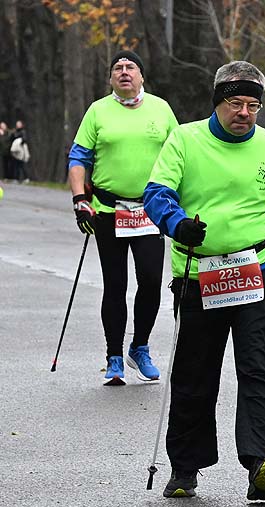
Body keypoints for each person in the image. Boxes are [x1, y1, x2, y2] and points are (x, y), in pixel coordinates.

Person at [143, 60, 265, 501]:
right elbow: (157, 195)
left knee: (259, 368)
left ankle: (263, 463)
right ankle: (186, 466)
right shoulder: (185, 140)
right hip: (200, 271)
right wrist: (177, 224)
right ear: (218, 102)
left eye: (252, 106)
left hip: (256, 270)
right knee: (195, 372)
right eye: (236, 103)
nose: (244, 113)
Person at [68, 50, 178, 386]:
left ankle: (139, 347)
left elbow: (181, 156)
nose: (124, 71)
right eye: (118, 68)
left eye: (131, 67)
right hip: (108, 210)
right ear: (111, 78)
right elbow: (78, 157)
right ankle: (113, 356)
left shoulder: (161, 109)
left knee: (151, 281)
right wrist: (79, 199)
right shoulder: (98, 111)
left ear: (142, 76)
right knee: (115, 284)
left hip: (150, 210)